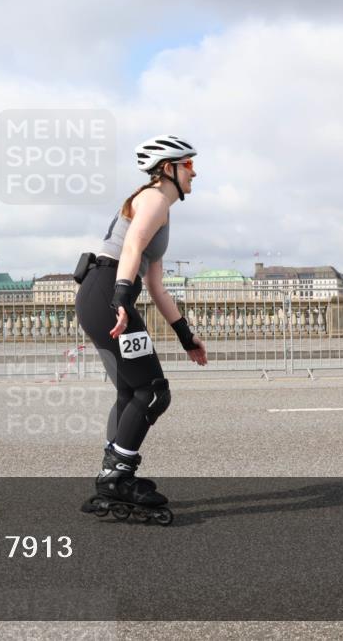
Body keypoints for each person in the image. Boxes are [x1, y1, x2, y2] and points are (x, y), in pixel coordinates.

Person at [75, 134, 209, 516]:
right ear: (168, 168)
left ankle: (113, 472)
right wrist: (119, 300)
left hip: (101, 293)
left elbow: (155, 286)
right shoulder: (153, 198)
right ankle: (118, 476)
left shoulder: (159, 206)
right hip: (106, 294)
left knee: (131, 391)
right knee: (152, 391)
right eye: (188, 165)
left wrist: (186, 336)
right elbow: (131, 247)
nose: (194, 172)